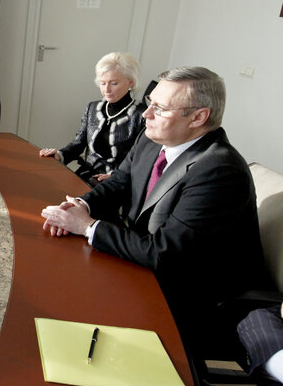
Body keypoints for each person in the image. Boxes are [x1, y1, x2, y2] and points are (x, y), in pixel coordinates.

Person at [40, 66, 268, 353]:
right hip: (146, 266)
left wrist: (87, 226)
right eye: (150, 103)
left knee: (69, 307)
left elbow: (166, 254)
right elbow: (120, 182)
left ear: (198, 117)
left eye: (159, 108)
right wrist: (80, 205)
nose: (146, 115)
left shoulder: (219, 170)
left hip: (192, 295)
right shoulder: (151, 138)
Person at [39, 52, 145, 184]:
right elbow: (78, 142)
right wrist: (59, 155)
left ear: (131, 82)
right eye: (102, 83)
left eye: (114, 83)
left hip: (117, 181)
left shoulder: (142, 115)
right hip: (87, 173)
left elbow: (141, 159)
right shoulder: (93, 108)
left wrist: (117, 175)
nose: (106, 89)